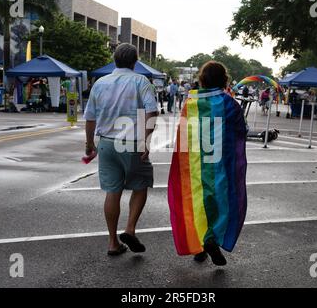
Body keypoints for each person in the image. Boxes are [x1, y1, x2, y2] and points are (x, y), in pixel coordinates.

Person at [168, 61, 248, 266]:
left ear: (202, 79)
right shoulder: (229, 103)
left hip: (195, 164)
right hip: (221, 163)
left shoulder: (191, 103)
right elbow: (241, 131)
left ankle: (199, 244)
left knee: (196, 202)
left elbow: (184, 134)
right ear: (224, 80)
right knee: (220, 202)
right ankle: (211, 239)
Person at [84, 43, 159, 256]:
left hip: (106, 143)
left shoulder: (100, 83)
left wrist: (90, 144)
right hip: (132, 143)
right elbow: (152, 112)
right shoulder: (140, 81)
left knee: (112, 191)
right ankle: (130, 229)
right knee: (141, 185)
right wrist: (146, 140)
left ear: (114, 60)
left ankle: (112, 242)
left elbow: (90, 117)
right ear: (135, 62)